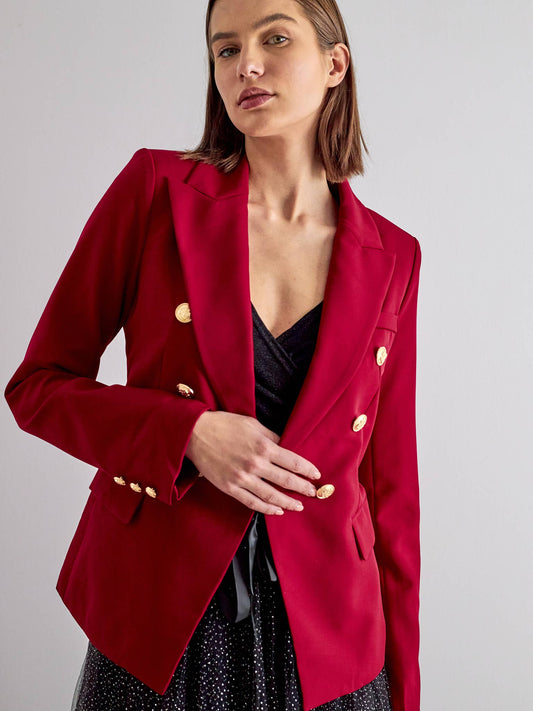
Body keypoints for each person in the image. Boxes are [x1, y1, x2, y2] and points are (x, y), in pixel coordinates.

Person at [4, 0, 422, 709]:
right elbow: (37, 387)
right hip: (161, 620)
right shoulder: (155, 192)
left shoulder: (393, 257)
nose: (245, 65)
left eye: (274, 38)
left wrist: (405, 686)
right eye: (224, 49)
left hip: (329, 638)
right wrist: (185, 433)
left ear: (333, 63)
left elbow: (389, 490)